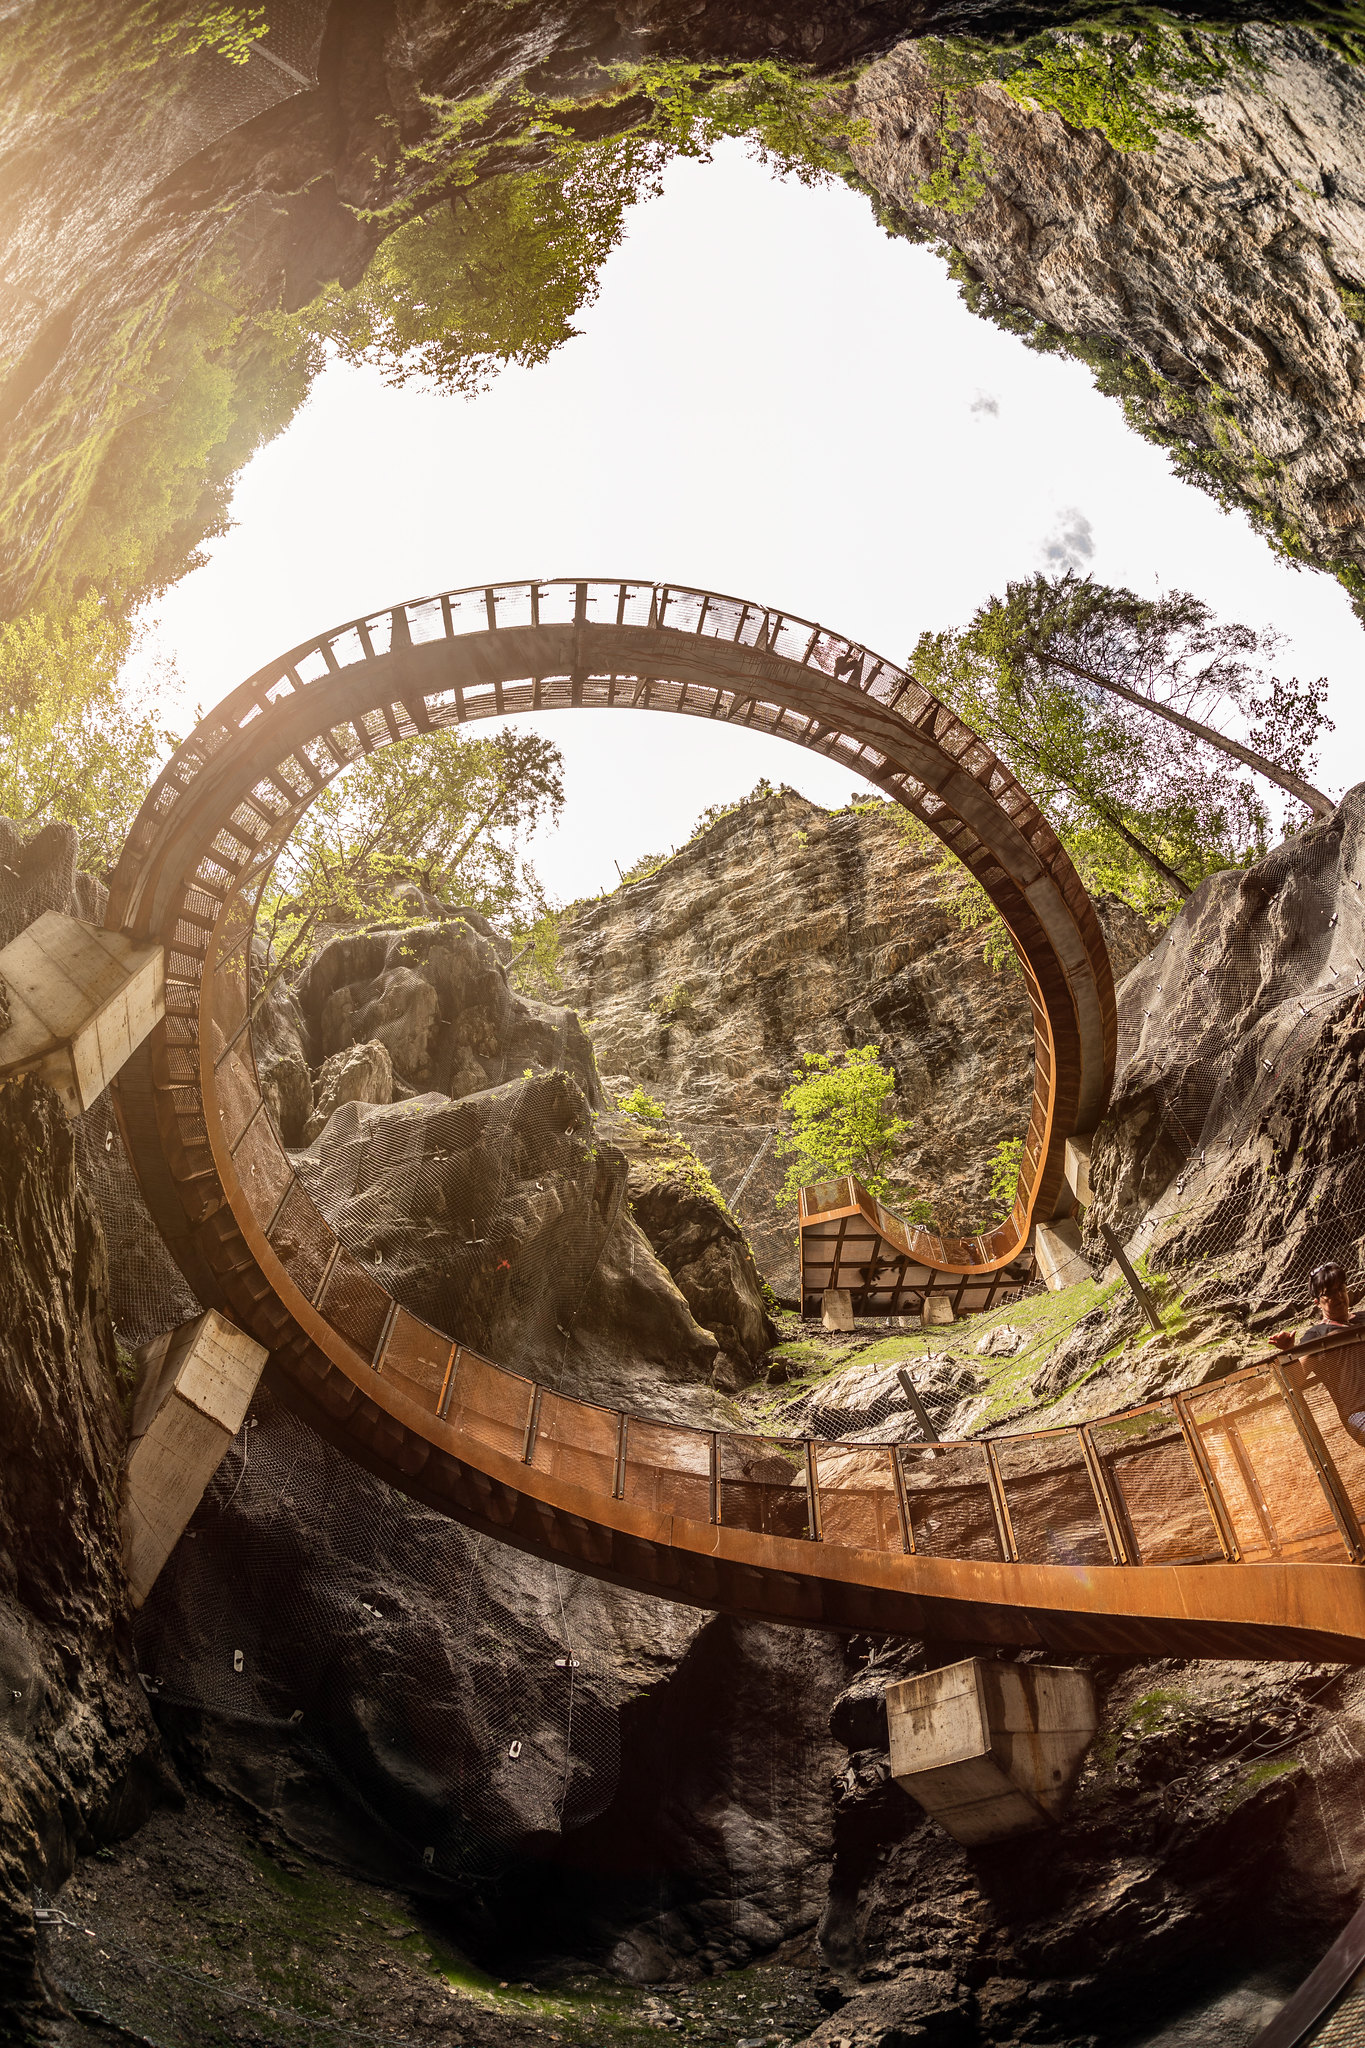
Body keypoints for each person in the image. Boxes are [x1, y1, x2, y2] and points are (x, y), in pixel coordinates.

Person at [1271, 1262, 1365, 1444]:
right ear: (1317, 1301)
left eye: (1340, 1288)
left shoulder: (1363, 1319)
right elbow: (1296, 1380)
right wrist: (1288, 1351)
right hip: (1358, 1412)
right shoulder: (1317, 1336)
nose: (1337, 1296)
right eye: (1328, 1293)